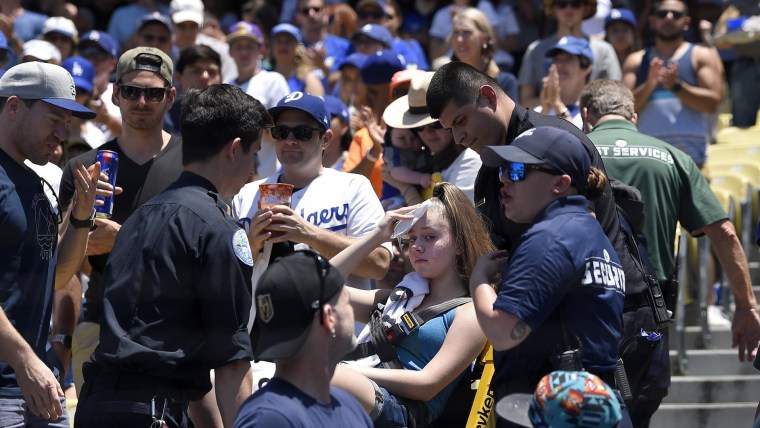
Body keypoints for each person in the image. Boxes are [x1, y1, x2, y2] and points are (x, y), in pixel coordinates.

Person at [425, 62, 653, 413]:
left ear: (487, 96)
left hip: (580, 350)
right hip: (555, 354)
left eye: (460, 121)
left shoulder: (552, 149)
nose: (457, 138)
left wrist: (480, 283)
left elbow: (508, 322)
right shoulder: (493, 171)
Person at [74, 84, 272, 428]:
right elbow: (231, 366)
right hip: (153, 414)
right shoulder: (220, 230)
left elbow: (183, 367)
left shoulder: (136, 219)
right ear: (234, 149)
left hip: (97, 409)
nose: (253, 171)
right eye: (253, 154)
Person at [580, 79, 760, 425]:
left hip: (584, 306)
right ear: (633, 115)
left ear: (587, 114)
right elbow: (723, 231)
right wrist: (745, 306)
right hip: (650, 311)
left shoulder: (575, 150)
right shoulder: (673, 157)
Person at [469, 126, 631, 427]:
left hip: (558, 410)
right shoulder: (588, 230)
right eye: (503, 169)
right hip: (589, 407)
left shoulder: (551, 236)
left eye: (517, 170)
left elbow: (502, 333)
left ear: (560, 183)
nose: (504, 178)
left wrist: (478, 280)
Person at [58, 46, 184, 397]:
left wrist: (126, 238)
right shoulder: (83, 166)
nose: (141, 101)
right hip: (101, 322)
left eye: (153, 93)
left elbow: (207, 249)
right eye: (131, 91)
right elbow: (58, 268)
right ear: (115, 93)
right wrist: (78, 219)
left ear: (170, 97)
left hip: (174, 326)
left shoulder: (194, 163)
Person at [329, 182, 494, 426]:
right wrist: (377, 235)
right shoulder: (395, 299)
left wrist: (341, 372)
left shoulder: (471, 311)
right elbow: (316, 288)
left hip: (403, 412)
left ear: (459, 244)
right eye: (411, 238)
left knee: (303, 371)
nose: (416, 247)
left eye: (429, 237)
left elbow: (428, 385)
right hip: (360, 393)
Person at [0, 61, 99, 426]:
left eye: (67, 124)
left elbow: (56, 275)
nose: (61, 133)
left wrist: (81, 216)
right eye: (53, 119)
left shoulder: (37, 182)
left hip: (38, 387)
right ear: (14, 107)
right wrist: (26, 362)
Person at [233, 91, 391, 291]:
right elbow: (228, 275)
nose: (290, 140)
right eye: (281, 132)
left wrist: (310, 234)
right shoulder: (246, 195)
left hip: (334, 319)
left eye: (302, 133)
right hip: (264, 319)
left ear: (325, 139)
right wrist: (252, 246)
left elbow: (379, 264)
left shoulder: (353, 187)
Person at [232, 251, 373, 427]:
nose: (351, 313)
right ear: (328, 318)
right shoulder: (270, 419)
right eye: (347, 302)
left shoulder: (348, 405)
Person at [621, 0, 722, 167]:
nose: (669, 18)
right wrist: (649, 86)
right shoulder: (636, 60)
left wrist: (677, 87)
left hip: (692, 161)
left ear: (686, 22)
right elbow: (622, 110)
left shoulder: (701, 55)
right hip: (648, 160)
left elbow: (712, 104)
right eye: (662, 14)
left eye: (676, 14)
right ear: (652, 21)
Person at [382, 70, 481, 203]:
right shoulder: (433, 161)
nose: (427, 133)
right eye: (418, 127)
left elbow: (447, 222)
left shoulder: (469, 161)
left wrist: (406, 188)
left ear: (454, 121)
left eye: (435, 124)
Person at [518, 0, 621, 109]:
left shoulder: (604, 50)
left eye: (575, 4)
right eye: (562, 4)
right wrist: (556, 104)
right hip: (547, 119)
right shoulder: (535, 49)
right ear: (553, 9)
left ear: (585, 8)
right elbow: (525, 101)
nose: (568, 10)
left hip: (591, 119)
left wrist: (577, 110)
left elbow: (615, 96)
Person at [225, 21, 290, 178]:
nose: (244, 53)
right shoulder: (227, 85)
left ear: (261, 50)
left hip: (270, 175)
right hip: (235, 174)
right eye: (238, 47)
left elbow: (283, 128)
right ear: (230, 51)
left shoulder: (273, 80)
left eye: (249, 47)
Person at [445, 8, 518, 101]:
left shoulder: (505, 83)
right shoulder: (445, 83)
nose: (459, 39)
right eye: (455, 33)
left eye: (467, 32)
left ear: (484, 38)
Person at [535, 35, 594, 129]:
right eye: (556, 59)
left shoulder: (595, 111)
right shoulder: (540, 111)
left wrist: (558, 105)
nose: (560, 65)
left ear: (587, 67)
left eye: (568, 59)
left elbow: (579, 141)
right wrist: (546, 109)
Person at [167, 44, 222, 135]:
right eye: (196, 71)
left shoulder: (234, 120)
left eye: (212, 72)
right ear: (179, 77)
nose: (205, 77)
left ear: (221, 78)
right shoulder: (163, 119)